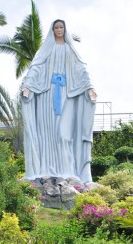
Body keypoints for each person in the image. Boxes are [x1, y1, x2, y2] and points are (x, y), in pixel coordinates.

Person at [21, 19, 97, 183]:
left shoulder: (71, 49)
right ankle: (45, 169)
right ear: (52, 30)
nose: (59, 29)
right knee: (47, 132)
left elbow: (81, 69)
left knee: (65, 134)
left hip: (66, 95)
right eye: (56, 27)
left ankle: (68, 170)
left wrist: (90, 87)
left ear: (65, 29)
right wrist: (27, 86)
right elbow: (36, 67)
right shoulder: (46, 49)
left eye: (61, 27)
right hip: (46, 95)